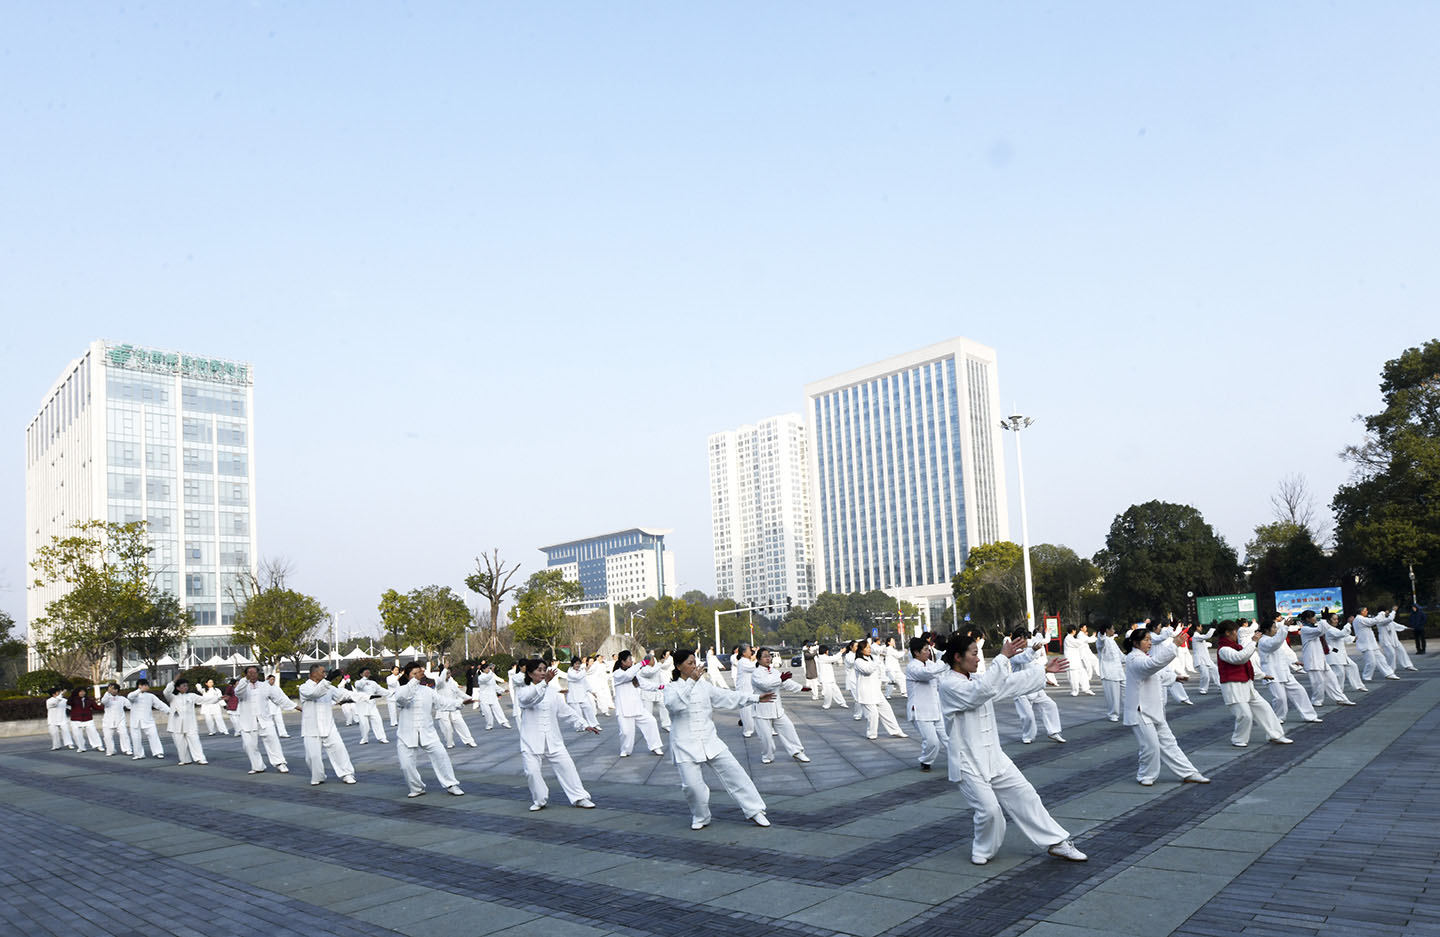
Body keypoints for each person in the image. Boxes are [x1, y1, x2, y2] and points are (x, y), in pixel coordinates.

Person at [938, 632, 1087, 866]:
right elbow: (980, 694)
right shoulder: (949, 684)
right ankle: (983, 848)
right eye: (974, 654)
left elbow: (1005, 685)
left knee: (1026, 796)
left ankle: (1057, 842)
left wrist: (1043, 671)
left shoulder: (975, 680)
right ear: (957, 657)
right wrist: (1002, 657)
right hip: (967, 760)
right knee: (989, 811)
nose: (978, 659)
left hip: (994, 756)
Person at [663, 649, 772, 829]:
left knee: (735, 773)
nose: (694, 666)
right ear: (678, 666)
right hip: (684, 745)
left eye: (694, 662)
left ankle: (755, 811)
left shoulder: (704, 686)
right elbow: (675, 707)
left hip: (709, 740)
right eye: (690, 663)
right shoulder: (671, 689)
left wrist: (755, 698)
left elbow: (727, 697)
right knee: (692, 787)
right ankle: (701, 816)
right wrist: (691, 682)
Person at [1123, 626, 1209, 787]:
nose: (1149, 643)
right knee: (1150, 746)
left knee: (1169, 743)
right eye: (1146, 640)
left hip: (1153, 709)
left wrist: (1175, 677)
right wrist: (1174, 644)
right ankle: (1145, 775)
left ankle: (1189, 772)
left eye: (1150, 639)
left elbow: (1157, 673)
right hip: (1140, 710)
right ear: (1135, 643)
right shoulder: (1133, 659)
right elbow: (1152, 666)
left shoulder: (1143, 657)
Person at [514, 659, 600, 811]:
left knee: (568, 767)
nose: (543, 672)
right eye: (539, 670)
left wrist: (584, 724)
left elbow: (566, 711)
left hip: (553, 739)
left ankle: (580, 797)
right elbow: (529, 700)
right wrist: (544, 683)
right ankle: (540, 800)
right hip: (531, 740)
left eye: (544, 669)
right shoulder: (523, 690)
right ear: (529, 673)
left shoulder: (552, 692)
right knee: (532, 772)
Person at [1213, 620, 1293, 747]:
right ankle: (1238, 739)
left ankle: (1276, 735)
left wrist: (1263, 675)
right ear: (1228, 633)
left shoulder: (1236, 647)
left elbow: (1246, 665)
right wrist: (1254, 641)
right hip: (1233, 687)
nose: (1237, 635)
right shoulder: (1223, 649)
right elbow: (1240, 658)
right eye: (1235, 632)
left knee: (1265, 709)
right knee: (1245, 715)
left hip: (1247, 685)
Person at [393, 661, 464, 797]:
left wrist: (460, 703)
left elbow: (442, 703)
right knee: (406, 765)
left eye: (418, 673)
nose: (417, 676)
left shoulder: (427, 690)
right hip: (406, 734)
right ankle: (417, 788)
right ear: (407, 676)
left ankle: (451, 784)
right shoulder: (401, 690)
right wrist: (414, 681)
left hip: (428, 732)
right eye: (413, 674)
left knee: (441, 756)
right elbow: (403, 699)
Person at [298, 664, 358, 785]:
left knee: (339, 750)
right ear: (313, 674)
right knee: (312, 756)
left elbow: (343, 694)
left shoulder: (328, 687)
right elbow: (315, 693)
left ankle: (347, 774)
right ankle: (318, 776)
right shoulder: (304, 688)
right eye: (322, 672)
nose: (324, 674)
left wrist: (366, 697)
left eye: (325, 672)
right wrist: (328, 680)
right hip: (311, 727)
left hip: (328, 725)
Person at [750, 648, 810, 764]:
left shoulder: (774, 671)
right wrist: (780, 679)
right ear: (758, 659)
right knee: (766, 738)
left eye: (769, 656)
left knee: (789, 728)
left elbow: (786, 683)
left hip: (777, 709)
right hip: (762, 711)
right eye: (765, 656)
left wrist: (801, 688)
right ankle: (767, 756)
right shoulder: (756, 673)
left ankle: (797, 752)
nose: (768, 658)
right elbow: (765, 686)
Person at [1256, 618, 1320, 724]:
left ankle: (1309, 716)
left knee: (1300, 691)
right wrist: (1285, 627)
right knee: (1280, 698)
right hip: (1272, 674)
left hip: (1284, 672)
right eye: (1274, 628)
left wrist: (1294, 662)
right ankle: (1278, 718)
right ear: (1267, 630)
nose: (1276, 630)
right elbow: (1275, 643)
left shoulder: (1274, 638)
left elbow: (1282, 654)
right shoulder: (1264, 641)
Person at [233, 665, 293, 774]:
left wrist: (294, 706)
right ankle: (257, 766)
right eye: (249, 673)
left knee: (272, 741)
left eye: (254, 672)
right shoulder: (242, 686)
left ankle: (280, 763)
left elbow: (279, 698)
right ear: (246, 674)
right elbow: (238, 692)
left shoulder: (265, 686)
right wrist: (245, 680)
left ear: (258, 674)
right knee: (249, 745)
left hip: (265, 720)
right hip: (247, 721)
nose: (252, 675)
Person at [1012, 629, 1065, 744]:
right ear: (1016, 640)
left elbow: (1033, 660)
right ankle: (1028, 736)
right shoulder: (1013, 653)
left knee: (1050, 705)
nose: (1026, 641)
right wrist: (1033, 649)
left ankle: (1053, 732)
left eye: (1026, 638)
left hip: (1034, 687)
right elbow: (1025, 658)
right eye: (1023, 638)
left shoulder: (1028, 649)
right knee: (1028, 716)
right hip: (1020, 690)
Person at [1299, 610, 1359, 706]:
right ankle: (1316, 700)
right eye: (1313, 617)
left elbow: (1323, 640)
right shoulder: (1305, 629)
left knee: (1333, 680)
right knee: (1319, 683)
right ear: (1308, 619)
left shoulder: (1315, 627)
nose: (1315, 618)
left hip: (1321, 660)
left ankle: (1341, 698)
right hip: (1312, 660)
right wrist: (1323, 619)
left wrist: (1335, 650)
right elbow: (1320, 631)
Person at [611, 650, 664, 757]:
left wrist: (658, 686)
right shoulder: (617, 674)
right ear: (623, 661)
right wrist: (641, 664)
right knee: (626, 732)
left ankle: (655, 747)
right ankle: (625, 750)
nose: (631, 661)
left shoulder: (634, 673)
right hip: (624, 709)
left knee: (651, 722)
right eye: (629, 659)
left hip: (637, 707)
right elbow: (627, 676)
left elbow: (644, 684)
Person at [905, 637, 947, 771]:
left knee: (950, 738)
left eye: (928, 649)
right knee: (932, 742)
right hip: (921, 710)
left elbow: (940, 678)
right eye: (925, 650)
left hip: (936, 708)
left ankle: (962, 762)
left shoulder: (930, 664)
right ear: (916, 652)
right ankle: (926, 761)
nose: (928, 652)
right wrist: (944, 661)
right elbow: (927, 674)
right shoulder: (912, 667)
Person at [852, 640, 907, 739]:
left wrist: (887, 680)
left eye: (869, 647)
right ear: (861, 650)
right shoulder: (858, 661)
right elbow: (867, 670)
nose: (869, 649)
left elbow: (878, 673)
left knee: (887, 710)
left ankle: (896, 731)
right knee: (873, 714)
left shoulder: (872, 659)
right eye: (867, 648)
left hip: (876, 691)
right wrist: (878, 659)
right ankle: (871, 734)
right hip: (866, 692)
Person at [161, 678, 209, 765]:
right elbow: (166, 692)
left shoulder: (192, 696)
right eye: (183, 686)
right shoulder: (172, 697)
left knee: (195, 741)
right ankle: (185, 759)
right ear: (178, 688)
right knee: (180, 744)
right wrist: (173, 681)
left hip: (190, 724)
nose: (186, 687)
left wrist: (219, 698)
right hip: (176, 724)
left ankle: (200, 758)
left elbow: (204, 700)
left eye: (187, 685)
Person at [433, 666, 477, 748]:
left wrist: (469, 698)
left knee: (461, 724)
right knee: (447, 728)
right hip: (443, 709)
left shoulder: (451, 683)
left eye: (449, 673)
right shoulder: (439, 683)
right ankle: (449, 743)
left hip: (454, 708)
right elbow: (442, 679)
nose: (448, 675)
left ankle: (469, 740)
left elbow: (459, 692)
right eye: (446, 673)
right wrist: (445, 669)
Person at [1353, 607, 1401, 682]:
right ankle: (1366, 676)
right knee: (1371, 662)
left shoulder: (1362, 619)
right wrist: (1382, 613)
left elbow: (1372, 621)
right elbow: (1373, 621)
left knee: (1381, 659)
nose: (1367, 612)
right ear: (1362, 612)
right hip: (1366, 644)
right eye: (1365, 611)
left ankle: (1389, 673)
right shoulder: (1359, 619)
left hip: (1371, 644)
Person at [127, 679, 170, 759]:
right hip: (135, 720)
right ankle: (138, 754)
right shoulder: (134, 695)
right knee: (136, 737)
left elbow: (160, 704)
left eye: (147, 685)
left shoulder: (150, 696)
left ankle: (158, 752)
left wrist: (169, 711)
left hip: (148, 720)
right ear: (139, 686)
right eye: (144, 685)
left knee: (153, 735)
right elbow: (130, 697)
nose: (146, 687)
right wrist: (139, 690)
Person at [1095, 623, 1126, 722]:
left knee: (1127, 693)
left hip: (1119, 672)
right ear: (1107, 630)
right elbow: (1101, 640)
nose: (1114, 630)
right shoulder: (1101, 641)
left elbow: (1121, 656)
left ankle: (1130, 712)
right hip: (1109, 673)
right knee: (1113, 696)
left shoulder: (1112, 641)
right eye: (1112, 628)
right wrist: (1101, 633)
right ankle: (1113, 714)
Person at [351, 666, 390, 744]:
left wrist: (391, 692)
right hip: (362, 705)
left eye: (368, 672)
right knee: (364, 724)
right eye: (365, 672)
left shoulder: (373, 683)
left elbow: (380, 690)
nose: (367, 673)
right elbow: (359, 686)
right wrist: (364, 679)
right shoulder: (358, 682)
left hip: (372, 706)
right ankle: (364, 738)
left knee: (377, 721)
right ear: (361, 674)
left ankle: (382, 738)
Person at [471, 662, 511, 730]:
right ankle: (489, 725)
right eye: (487, 668)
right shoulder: (481, 677)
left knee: (498, 710)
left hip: (492, 696)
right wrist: (492, 672)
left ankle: (504, 722)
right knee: (487, 713)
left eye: (489, 668)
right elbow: (487, 678)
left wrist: (503, 690)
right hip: (484, 698)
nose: (488, 670)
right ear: (483, 670)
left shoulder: (491, 675)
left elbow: (494, 686)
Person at [639, 651, 672, 731]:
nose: (654, 661)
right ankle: (647, 728)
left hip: (657, 693)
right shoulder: (644, 670)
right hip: (648, 694)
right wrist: (660, 663)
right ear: (648, 661)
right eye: (652, 659)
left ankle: (666, 724)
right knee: (648, 713)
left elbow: (659, 678)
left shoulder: (656, 667)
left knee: (663, 707)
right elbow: (651, 672)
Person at [563, 658, 599, 729]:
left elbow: (585, 682)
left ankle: (594, 724)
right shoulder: (570, 671)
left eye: (579, 664)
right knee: (577, 713)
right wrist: (586, 669)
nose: (577, 665)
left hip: (582, 695)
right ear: (572, 664)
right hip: (573, 696)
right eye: (576, 664)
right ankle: (579, 727)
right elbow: (577, 677)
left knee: (589, 708)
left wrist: (591, 691)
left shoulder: (581, 671)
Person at [99, 683, 132, 755]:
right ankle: (110, 750)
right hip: (108, 721)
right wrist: (107, 692)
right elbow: (103, 701)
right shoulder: (107, 698)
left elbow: (130, 706)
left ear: (118, 690)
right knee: (107, 736)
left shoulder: (122, 699)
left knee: (124, 734)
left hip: (120, 720)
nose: (114, 691)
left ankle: (127, 749)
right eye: (112, 689)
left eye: (115, 689)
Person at [732, 645, 758, 736]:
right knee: (746, 711)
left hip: (749, 689)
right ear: (743, 653)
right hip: (744, 690)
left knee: (754, 710)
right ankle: (747, 730)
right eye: (749, 650)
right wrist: (758, 657)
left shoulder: (747, 661)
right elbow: (753, 667)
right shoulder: (743, 662)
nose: (751, 652)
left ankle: (753, 728)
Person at [67, 687, 103, 752]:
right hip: (76, 720)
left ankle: (98, 745)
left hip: (88, 719)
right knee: (77, 735)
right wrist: (72, 695)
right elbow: (68, 703)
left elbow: (96, 707)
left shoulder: (89, 700)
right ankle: (81, 747)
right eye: (80, 692)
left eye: (83, 692)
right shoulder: (73, 699)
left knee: (93, 732)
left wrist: (105, 707)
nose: (82, 693)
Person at [815, 645, 848, 709]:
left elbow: (833, 658)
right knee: (828, 694)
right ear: (825, 651)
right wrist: (841, 652)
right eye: (827, 650)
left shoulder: (825, 657)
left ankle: (842, 703)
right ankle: (826, 705)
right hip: (825, 679)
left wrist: (840, 653)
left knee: (837, 691)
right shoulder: (822, 657)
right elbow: (834, 658)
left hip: (830, 679)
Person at [1064, 627, 1094, 697]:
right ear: (1073, 631)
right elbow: (1078, 643)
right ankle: (1075, 691)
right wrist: (1084, 638)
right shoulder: (1068, 638)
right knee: (1074, 678)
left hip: (1076, 661)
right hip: (1071, 662)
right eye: (1075, 630)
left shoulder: (1071, 638)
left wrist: (1084, 638)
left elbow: (1079, 643)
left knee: (1083, 675)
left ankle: (1086, 689)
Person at [1190, 624, 1220, 694]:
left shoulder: (1198, 636)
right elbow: (1207, 636)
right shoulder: (1196, 636)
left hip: (1206, 659)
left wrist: (1207, 644)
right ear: (1197, 627)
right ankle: (1202, 689)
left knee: (1216, 670)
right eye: (1200, 626)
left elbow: (1201, 644)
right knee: (1205, 675)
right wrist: (1212, 628)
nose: (1201, 628)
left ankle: (1220, 686)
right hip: (1201, 660)